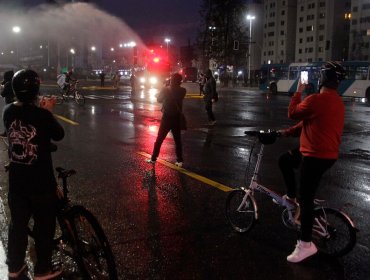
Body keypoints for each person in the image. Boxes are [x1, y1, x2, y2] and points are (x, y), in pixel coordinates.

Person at [279, 61, 346, 263]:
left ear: (323, 78)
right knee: (284, 160)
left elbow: (292, 113)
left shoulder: (316, 99)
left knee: (306, 199)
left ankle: (306, 244)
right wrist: (287, 133)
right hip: (325, 154)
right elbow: (307, 123)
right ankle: (292, 196)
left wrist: (298, 91)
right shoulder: (337, 102)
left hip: (315, 155)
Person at [3, 69, 65, 279]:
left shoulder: (8, 111)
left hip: (17, 181)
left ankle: (15, 267)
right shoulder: (41, 115)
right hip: (40, 182)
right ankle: (43, 269)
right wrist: (47, 111)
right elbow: (59, 134)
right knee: (44, 226)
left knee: (18, 225)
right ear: (36, 89)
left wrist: (40, 111)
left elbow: (26, 119)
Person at [146, 73, 186, 167]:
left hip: (167, 118)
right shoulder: (183, 90)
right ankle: (179, 160)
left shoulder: (165, 89)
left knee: (159, 139)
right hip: (176, 118)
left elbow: (159, 100)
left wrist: (165, 87)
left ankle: (153, 158)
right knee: (178, 140)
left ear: (171, 80)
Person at [1, 70, 15, 136]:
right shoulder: (14, 82)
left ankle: (6, 133)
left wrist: (2, 90)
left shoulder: (8, 84)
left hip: (9, 104)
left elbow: (3, 94)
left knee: (7, 119)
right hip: (15, 103)